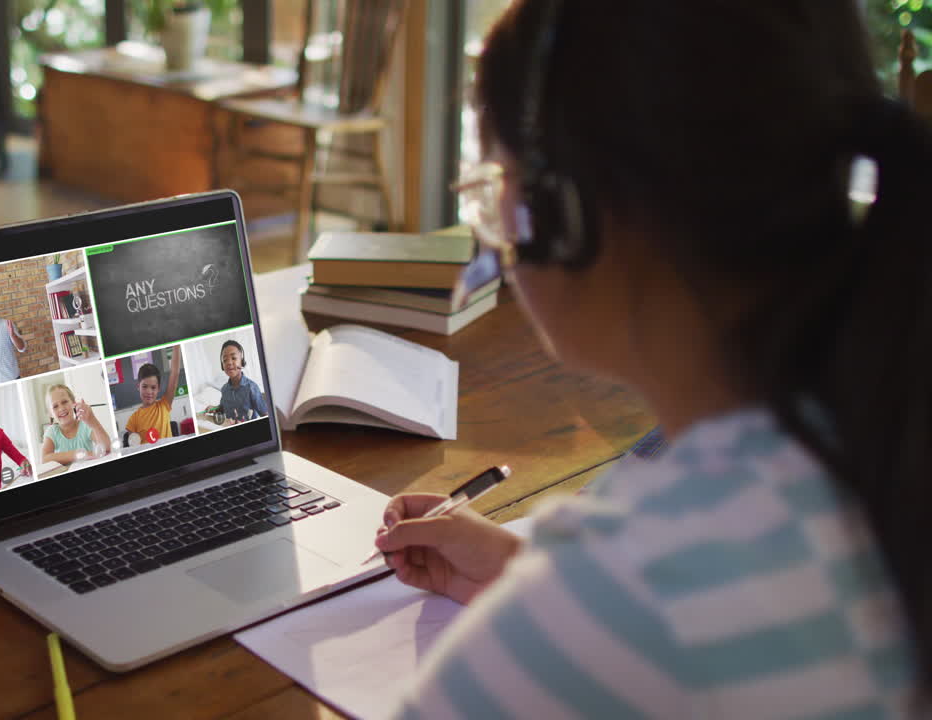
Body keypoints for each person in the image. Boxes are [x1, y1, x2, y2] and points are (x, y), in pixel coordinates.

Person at [373, 1, 928, 716]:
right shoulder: (878, 436)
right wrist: (532, 579)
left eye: (495, 185)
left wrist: (568, 612)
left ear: (567, 211)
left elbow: (663, 608)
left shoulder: (634, 588)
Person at [40, 384, 112, 465]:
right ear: (50, 413)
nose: (61, 408)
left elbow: (106, 448)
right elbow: (44, 459)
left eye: (64, 402)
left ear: (74, 403)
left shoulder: (85, 425)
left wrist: (92, 420)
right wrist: (77, 454)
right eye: (55, 406)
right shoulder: (52, 432)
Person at [125, 346, 182, 443]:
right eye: (144, 386)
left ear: (158, 388)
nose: (149, 391)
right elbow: (134, 445)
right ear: (138, 386)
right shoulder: (133, 419)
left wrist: (176, 346)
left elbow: (175, 373)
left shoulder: (164, 404)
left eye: (153, 387)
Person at [217, 340, 267, 423]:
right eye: (225, 360)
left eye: (234, 358)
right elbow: (222, 407)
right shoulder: (224, 389)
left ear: (242, 361)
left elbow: (265, 415)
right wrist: (214, 409)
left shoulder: (252, 388)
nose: (229, 362)